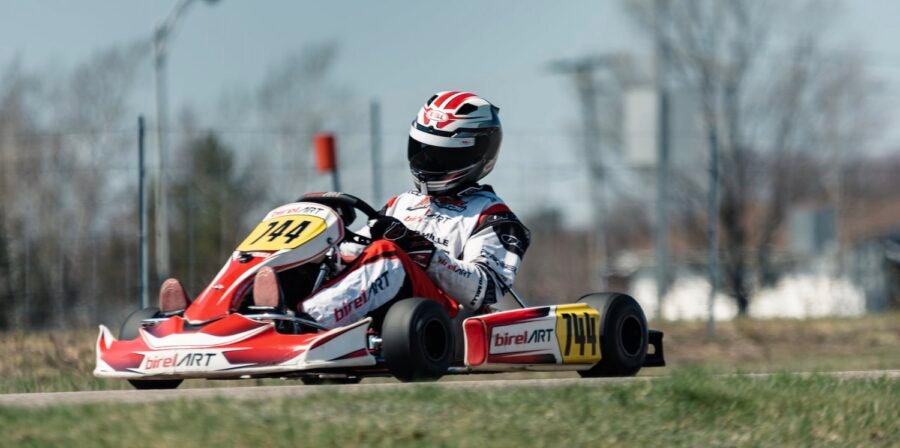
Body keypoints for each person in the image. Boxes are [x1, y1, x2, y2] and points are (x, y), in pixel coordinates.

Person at [255, 91, 531, 329]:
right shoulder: (403, 203)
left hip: (441, 320)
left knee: (388, 254)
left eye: (444, 155)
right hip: (387, 306)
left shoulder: (492, 216)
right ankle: (249, 316)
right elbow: (358, 253)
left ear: (479, 154)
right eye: (423, 150)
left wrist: (422, 252)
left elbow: (484, 290)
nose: (429, 161)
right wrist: (334, 238)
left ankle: (305, 323)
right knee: (312, 254)